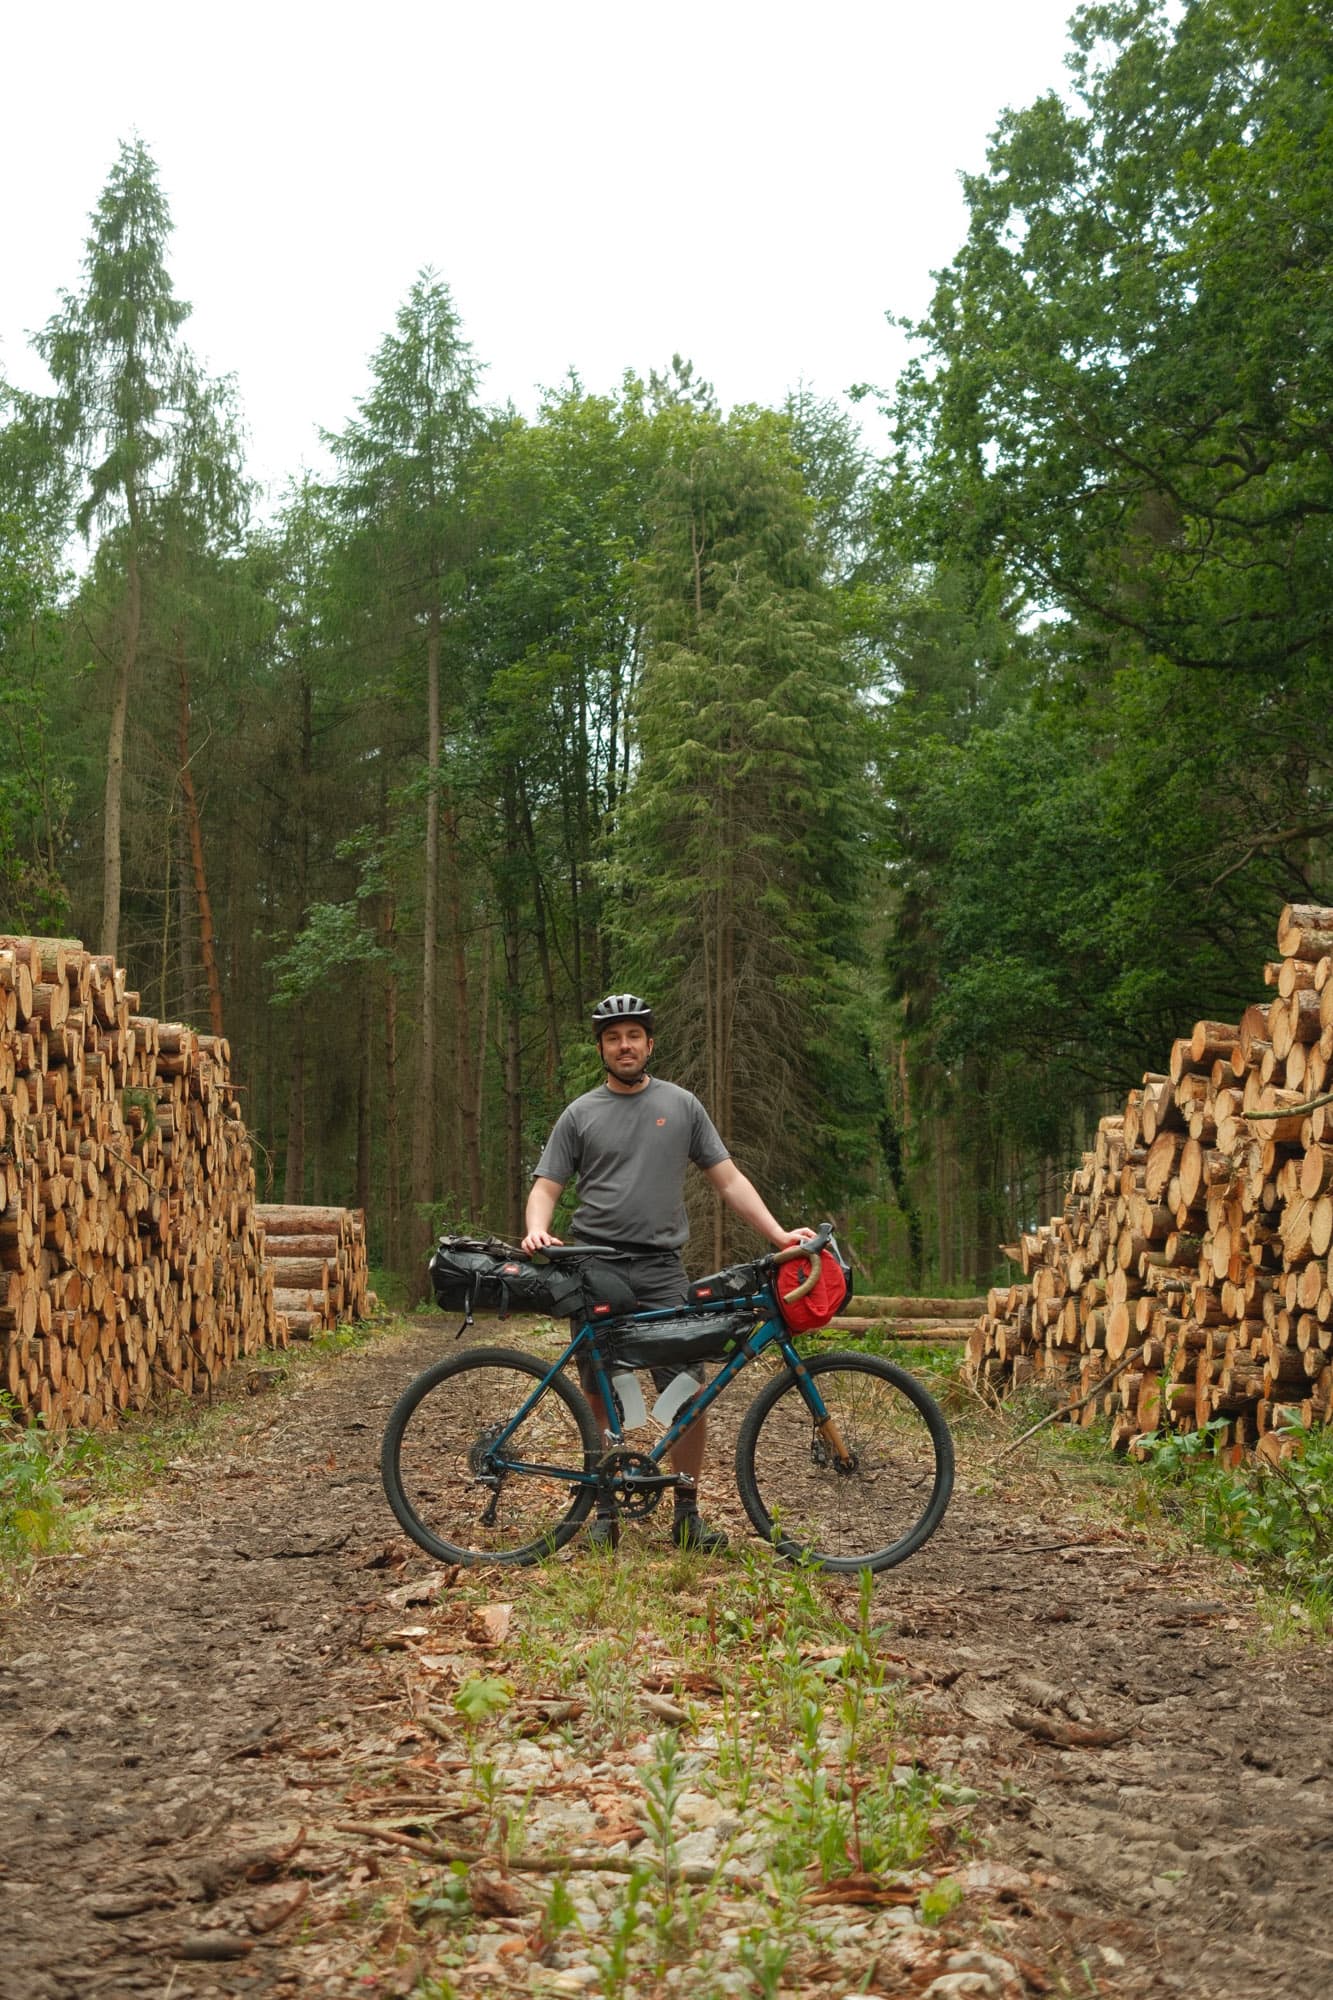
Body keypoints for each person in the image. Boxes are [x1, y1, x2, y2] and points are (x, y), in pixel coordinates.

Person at [522, 991, 810, 1552]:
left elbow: (727, 1179)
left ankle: (686, 1512)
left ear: (650, 1044)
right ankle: (603, 1509)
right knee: (601, 1387)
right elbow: (547, 1186)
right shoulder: (579, 1114)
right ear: (601, 1048)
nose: (624, 1045)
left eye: (633, 1035)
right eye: (612, 1037)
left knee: (686, 1388)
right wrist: (537, 1227)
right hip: (596, 1266)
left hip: (661, 1268)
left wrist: (777, 1235)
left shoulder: (682, 1106)